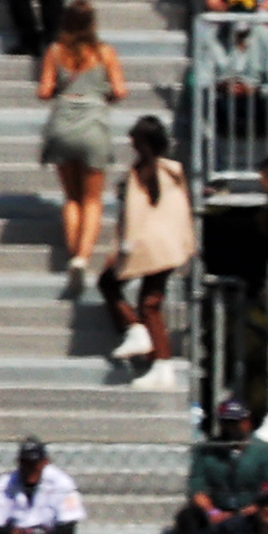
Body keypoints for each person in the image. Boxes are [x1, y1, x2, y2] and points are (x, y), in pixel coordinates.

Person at [102, 115, 197, 387]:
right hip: (169, 246)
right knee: (150, 301)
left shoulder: (142, 170)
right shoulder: (172, 170)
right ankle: (159, 360)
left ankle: (138, 333)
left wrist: (124, 246)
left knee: (123, 290)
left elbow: (134, 210)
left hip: (147, 244)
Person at [38, 0, 129, 274]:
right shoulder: (104, 52)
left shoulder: (55, 52)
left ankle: (72, 251)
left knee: (71, 197)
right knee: (92, 198)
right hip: (93, 124)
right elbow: (120, 90)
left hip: (63, 122)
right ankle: (83, 257)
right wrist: (102, 96)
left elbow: (43, 91)